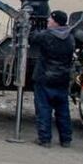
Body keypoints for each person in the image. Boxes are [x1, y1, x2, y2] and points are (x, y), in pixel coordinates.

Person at [30, 10, 75, 147]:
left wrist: (32, 24)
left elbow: (32, 37)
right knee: (63, 110)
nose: (48, 21)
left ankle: (45, 139)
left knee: (44, 109)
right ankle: (66, 139)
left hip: (45, 77)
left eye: (50, 19)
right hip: (62, 78)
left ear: (55, 22)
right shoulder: (70, 37)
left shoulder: (47, 36)